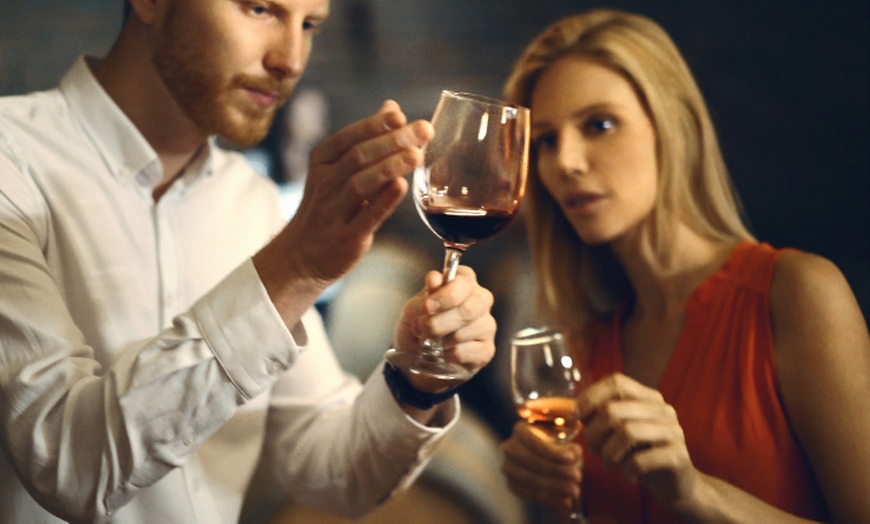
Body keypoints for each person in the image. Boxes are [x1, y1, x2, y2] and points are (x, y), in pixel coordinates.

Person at [0, 0, 498, 522]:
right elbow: (70, 468)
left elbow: (329, 472)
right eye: (260, 9)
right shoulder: (13, 165)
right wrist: (294, 268)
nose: (292, 60)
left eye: (308, 25)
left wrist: (416, 382)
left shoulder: (250, 199)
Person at [499, 9, 870, 523]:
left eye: (599, 124)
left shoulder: (796, 294)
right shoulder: (586, 346)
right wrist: (546, 493)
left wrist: (697, 493)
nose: (565, 162)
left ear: (671, 126)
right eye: (547, 140)